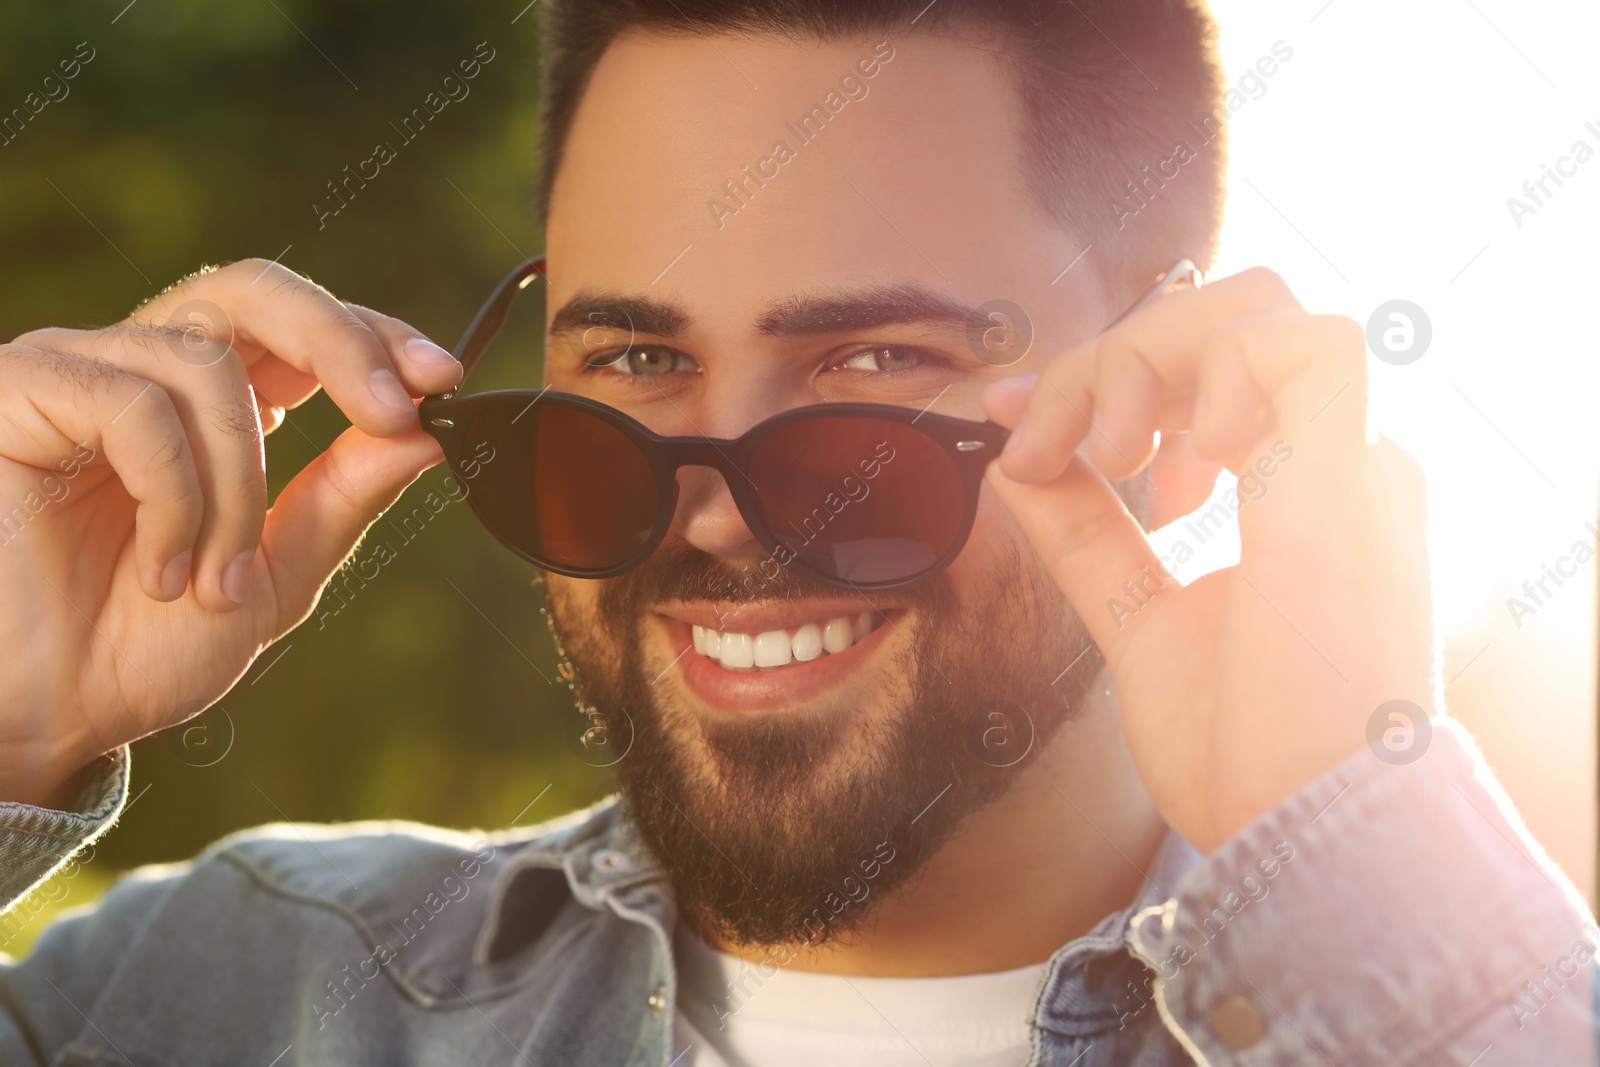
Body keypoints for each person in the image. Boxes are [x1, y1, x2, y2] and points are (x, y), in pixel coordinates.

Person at [0, 0, 1593, 1063]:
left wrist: (1357, 865)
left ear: (1162, 399)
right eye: (633, 365)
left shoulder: (1474, 1001)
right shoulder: (221, 993)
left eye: (874, 368)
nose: (702, 511)